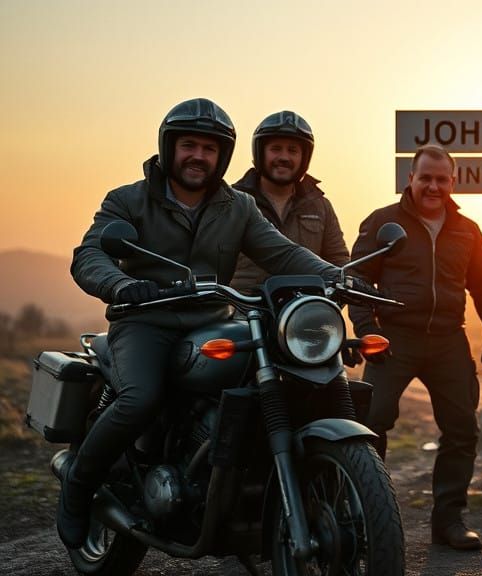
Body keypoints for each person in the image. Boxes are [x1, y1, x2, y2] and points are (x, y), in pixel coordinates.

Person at [59, 98, 348, 549]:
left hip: (215, 320)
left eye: (209, 149)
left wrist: (337, 276)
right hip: (145, 321)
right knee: (140, 399)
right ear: (169, 147)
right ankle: (78, 487)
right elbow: (90, 254)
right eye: (188, 145)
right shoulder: (128, 200)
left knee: (272, 384)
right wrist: (120, 285)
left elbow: (283, 251)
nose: (198, 156)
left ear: (224, 157)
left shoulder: (239, 207)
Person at [347, 144, 482, 551]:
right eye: (426, 178)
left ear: (452, 182)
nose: (433, 186)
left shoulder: (467, 229)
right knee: (372, 423)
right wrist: (367, 330)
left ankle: (449, 521)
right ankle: (364, 514)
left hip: (448, 338)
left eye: (441, 179)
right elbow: (358, 281)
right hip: (394, 338)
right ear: (411, 179)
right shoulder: (384, 222)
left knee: (462, 429)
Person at [230, 110, 350, 293]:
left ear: (304, 157)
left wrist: (328, 301)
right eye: (276, 148)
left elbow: (339, 263)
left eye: (292, 150)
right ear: (260, 152)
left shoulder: (320, 206)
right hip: (243, 312)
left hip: (304, 313)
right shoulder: (232, 202)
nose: (284, 157)